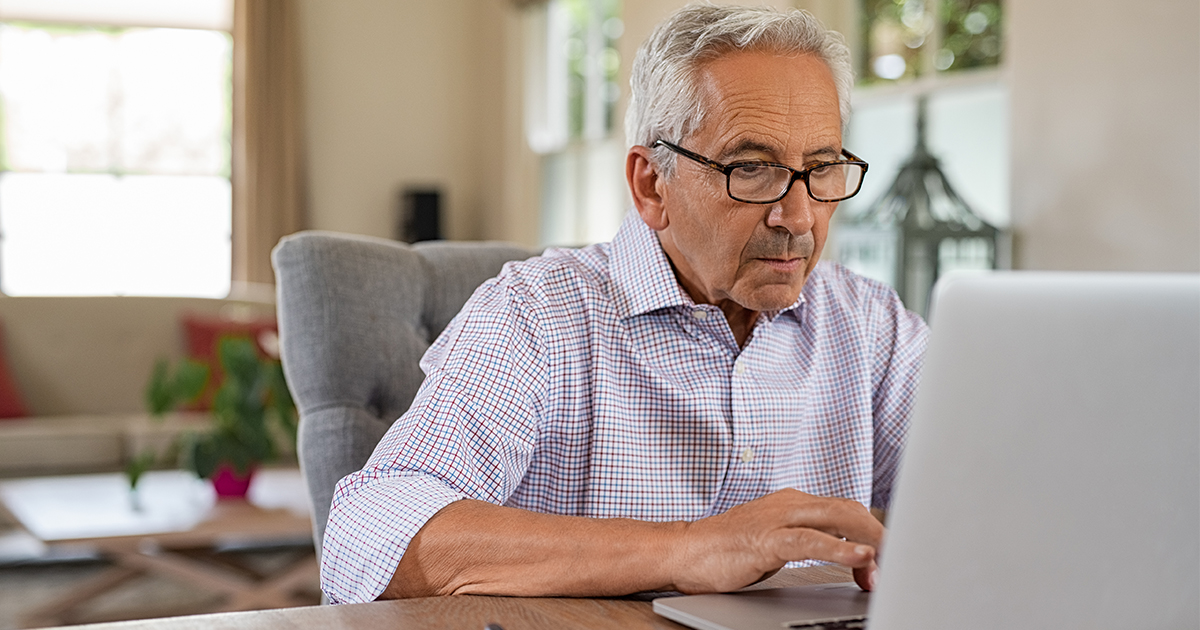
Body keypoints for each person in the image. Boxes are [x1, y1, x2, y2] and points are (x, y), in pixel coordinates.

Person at [320, 4, 927, 604]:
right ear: (650, 184)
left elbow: (1001, 495)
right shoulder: (537, 313)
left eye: (822, 169)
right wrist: (690, 548)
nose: (798, 217)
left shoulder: (872, 325)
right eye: (751, 168)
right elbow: (367, 538)